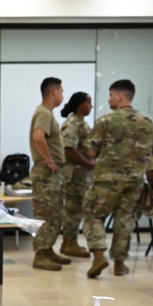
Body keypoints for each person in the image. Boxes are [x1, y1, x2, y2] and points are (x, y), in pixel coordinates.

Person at [82, 79, 153, 278]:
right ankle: (119, 264)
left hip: (106, 180)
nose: (109, 99)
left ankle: (99, 255)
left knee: (94, 215)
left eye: (110, 95)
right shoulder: (148, 123)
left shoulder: (107, 121)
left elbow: (90, 151)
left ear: (119, 96)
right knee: (125, 221)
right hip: (135, 182)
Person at [28, 76, 71, 271]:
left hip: (51, 175)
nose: (63, 95)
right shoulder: (44, 113)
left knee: (55, 214)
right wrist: (49, 160)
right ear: (53, 91)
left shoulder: (47, 113)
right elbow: (38, 137)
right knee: (46, 214)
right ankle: (40, 254)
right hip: (46, 173)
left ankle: (47, 250)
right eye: (61, 91)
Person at [59, 91, 95, 258]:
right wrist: (89, 164)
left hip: (82, 175)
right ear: (81, 105)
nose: (91, 106)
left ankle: (69, 242)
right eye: (88, 102)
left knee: (76, 209)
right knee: (74, 210)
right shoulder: (73, 123)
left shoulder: (82, 123)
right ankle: (70, 242)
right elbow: (69, 148)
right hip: (75, 176)